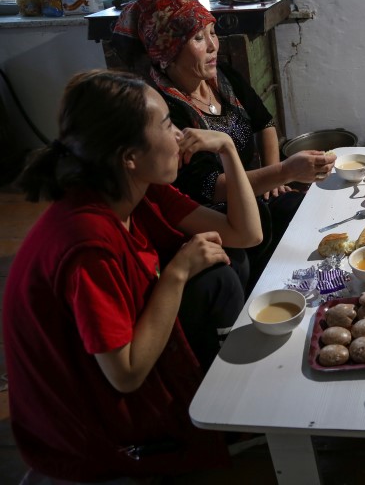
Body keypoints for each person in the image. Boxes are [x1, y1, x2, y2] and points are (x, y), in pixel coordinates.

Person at [3, 70, 263, 480]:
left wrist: (228, 147)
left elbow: (245, 234)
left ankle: (226, 402)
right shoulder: (87, 243)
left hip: (113, 377)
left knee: (226, 263)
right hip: (89, 432)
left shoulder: (134, 186)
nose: (180, 134)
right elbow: (124, 375)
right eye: (165, 124)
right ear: (129, 155)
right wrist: (176, 272)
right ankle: (219, 415)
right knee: (211, 274)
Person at [112, 0, 336, 285]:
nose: (213, 46)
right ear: (167, 53)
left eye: (213, 33)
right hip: (211, 211)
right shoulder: (165, 111)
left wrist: (276, 182)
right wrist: (283, 171)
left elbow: (264, 122)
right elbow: (209, 187)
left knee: (302, 213)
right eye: (198, 39)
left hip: (254, 187)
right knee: (245, 257)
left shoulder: (222, 78)